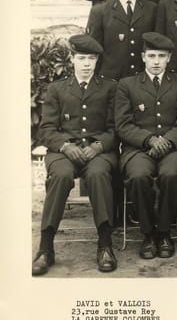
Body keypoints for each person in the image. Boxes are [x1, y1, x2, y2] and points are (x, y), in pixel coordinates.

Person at [32, 34, 118, 275]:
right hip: (64, 152)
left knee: (99, 175)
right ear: (72, 59)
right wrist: (65, 146)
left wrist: (99, 146)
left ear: (97, 60)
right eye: (81, 58)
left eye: (91, 59)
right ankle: (45, 248)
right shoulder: (57, 88)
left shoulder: (110, 88)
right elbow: (46, 129)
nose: (87, 64)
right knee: (60, 176)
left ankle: (105, 246)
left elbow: (116, 128)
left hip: (98, 152)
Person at [115, 32, 177, 260]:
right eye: (151, 56)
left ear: (169, 58)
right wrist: (150, 139)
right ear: (143, 57)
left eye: (161, 56)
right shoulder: (127, 84)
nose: (156, 61)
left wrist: (167, 141)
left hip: (174, 147)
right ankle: (148, 234)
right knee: (138, 176)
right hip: (139, 148)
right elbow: (123, 124)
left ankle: (165, 232)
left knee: (171, 175)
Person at [86, 0, 157, 80]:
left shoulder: (151, 9)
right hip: (111, 82)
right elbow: (93, 53)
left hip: (142, 83)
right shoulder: (100, 11)